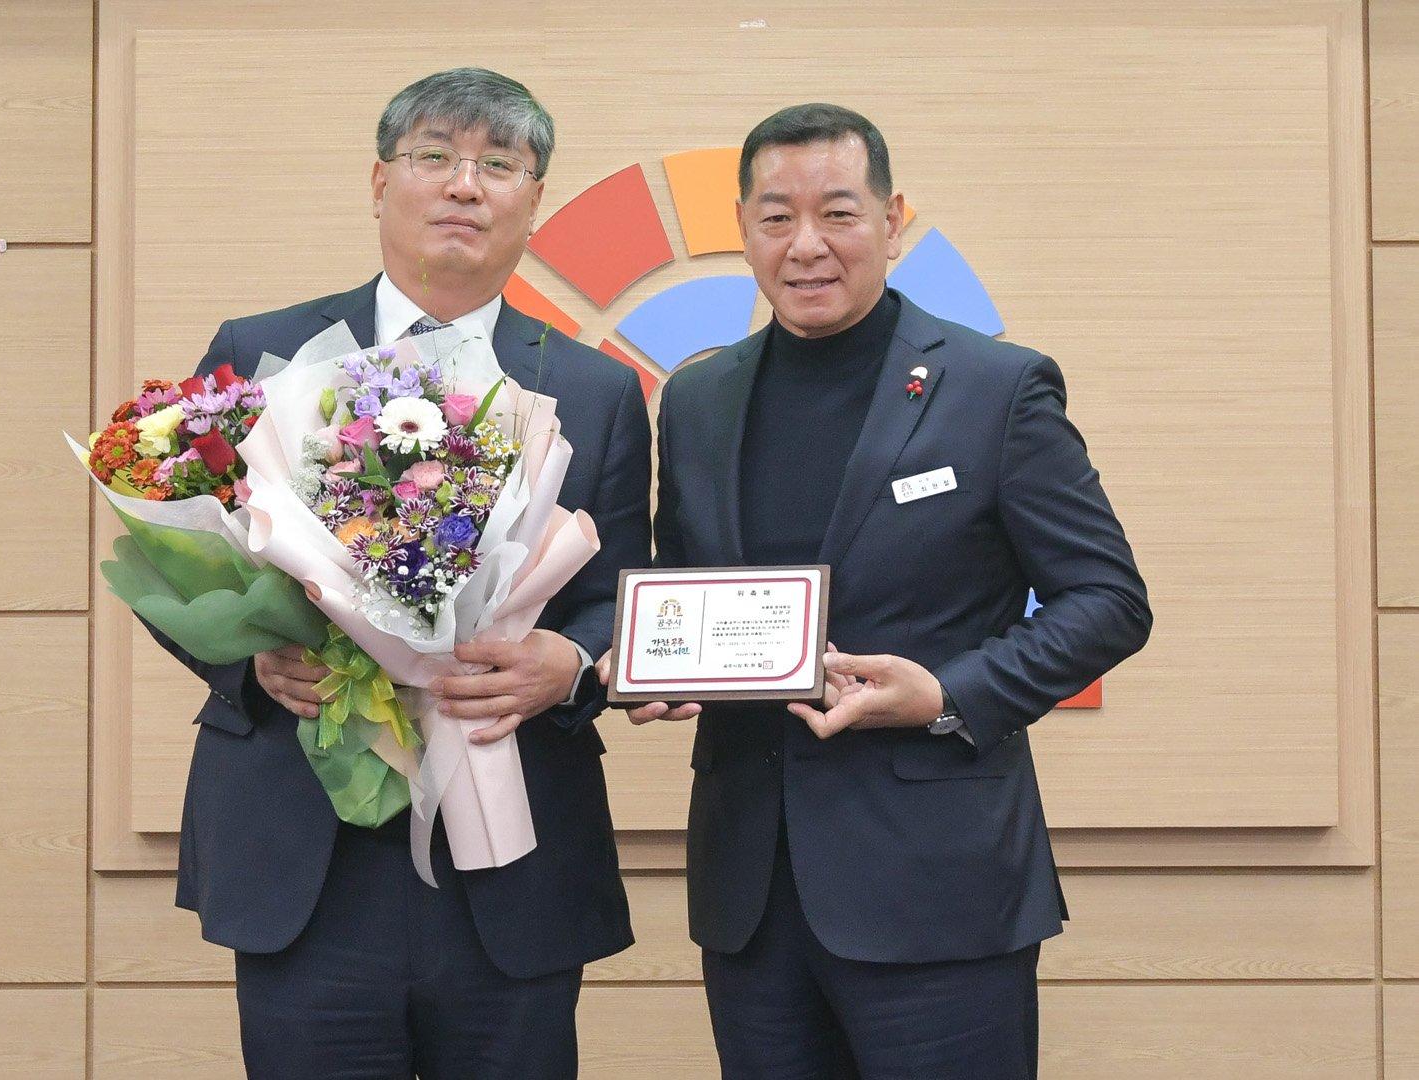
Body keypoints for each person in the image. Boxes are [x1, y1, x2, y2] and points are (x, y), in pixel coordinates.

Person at [619, 103, 1152, 1079]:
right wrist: (653, 665)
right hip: (751, 894)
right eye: (776, 217)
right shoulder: (696, 400)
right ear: (742, 229)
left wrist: (947, 693)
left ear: (894, 220)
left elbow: (1108, 599)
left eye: (839, 213)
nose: (806, 245)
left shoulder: (995, 388)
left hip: (937, 885)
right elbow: (682, 587)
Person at [152, 68, 651, 1079]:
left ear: (534, 202)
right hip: (306, 850)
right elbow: (179, 549)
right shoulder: (261, 351)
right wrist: (252, 661)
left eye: (499, 165)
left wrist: (570, 661)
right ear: (381, 181)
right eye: (435, 157)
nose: (466, 185)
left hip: (508, 844)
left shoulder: (596, 389)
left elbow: (624, 590)